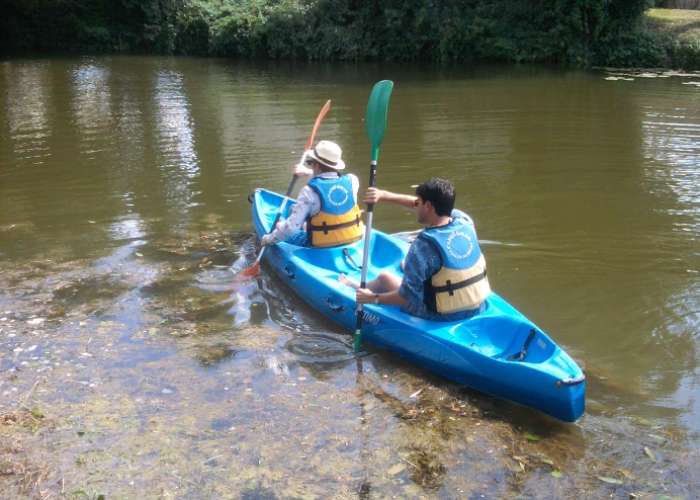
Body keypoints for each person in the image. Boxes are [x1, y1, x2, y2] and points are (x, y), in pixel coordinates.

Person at [345, 177, 491, 321]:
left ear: (428, 206)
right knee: (413, 265)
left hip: (441, 314)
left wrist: (373, 298)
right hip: (477, 305)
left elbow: (405, 297)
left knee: (385, 279)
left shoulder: (423, 246)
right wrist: (384, 195)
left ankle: (354, 287)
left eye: (418, 203)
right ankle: (411, 269)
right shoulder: (464, 220)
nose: (415, 206)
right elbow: (424, 204)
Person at [260, 140, 364, 248]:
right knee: (293, 209)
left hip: (322, 246)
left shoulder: (308, 191)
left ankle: (281, 226)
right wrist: (307, 172)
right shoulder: (353, 181)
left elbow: (291, 229)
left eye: (310, 163)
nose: (310, 166)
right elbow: (329, 179)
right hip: (353, 238)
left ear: (317, 165)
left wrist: (268, 239)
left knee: (284, 226)